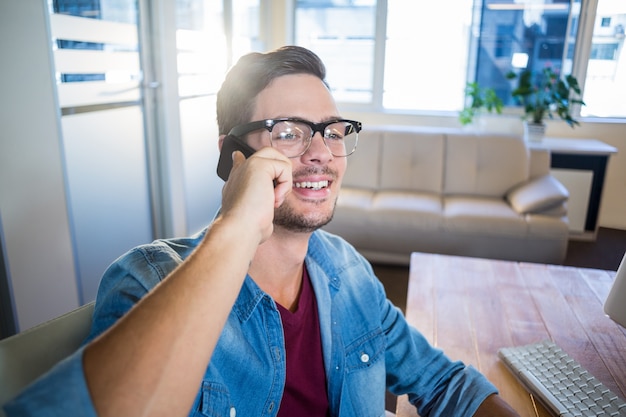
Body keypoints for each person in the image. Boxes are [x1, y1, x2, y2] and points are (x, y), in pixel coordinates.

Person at [4, 46, 520, 417]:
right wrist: (238, 224)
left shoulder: (347, 271)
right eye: (290, 133)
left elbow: (446, 385)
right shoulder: (147, 281)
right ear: (235, 155)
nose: (321, 152)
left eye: (333, 131)